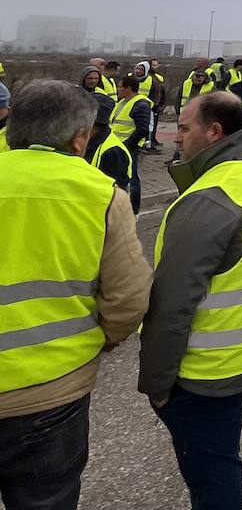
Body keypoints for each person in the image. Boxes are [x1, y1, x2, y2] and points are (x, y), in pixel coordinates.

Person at [139, 91, 242, 510]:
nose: (176, 136)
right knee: (222, 459)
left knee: (213, 478)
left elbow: (171, 304)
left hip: (203, 373)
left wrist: (157, 386)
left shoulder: (210, 198)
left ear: (215, 132)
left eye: (186, 127)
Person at [0, 80, 150, 510]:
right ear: (80, 137)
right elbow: (129, 298)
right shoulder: (101, 193)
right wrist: (105, 339)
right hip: (50, 390)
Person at [110, 73, 153, 213]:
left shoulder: (140, 104)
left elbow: (142, 129)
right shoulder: (122, 102)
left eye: (120, 87)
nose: (117, 89)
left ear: (129, 88)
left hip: (129, 148)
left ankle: (134, 210)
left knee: (132, 179)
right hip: (117, 146)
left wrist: (128, 145)